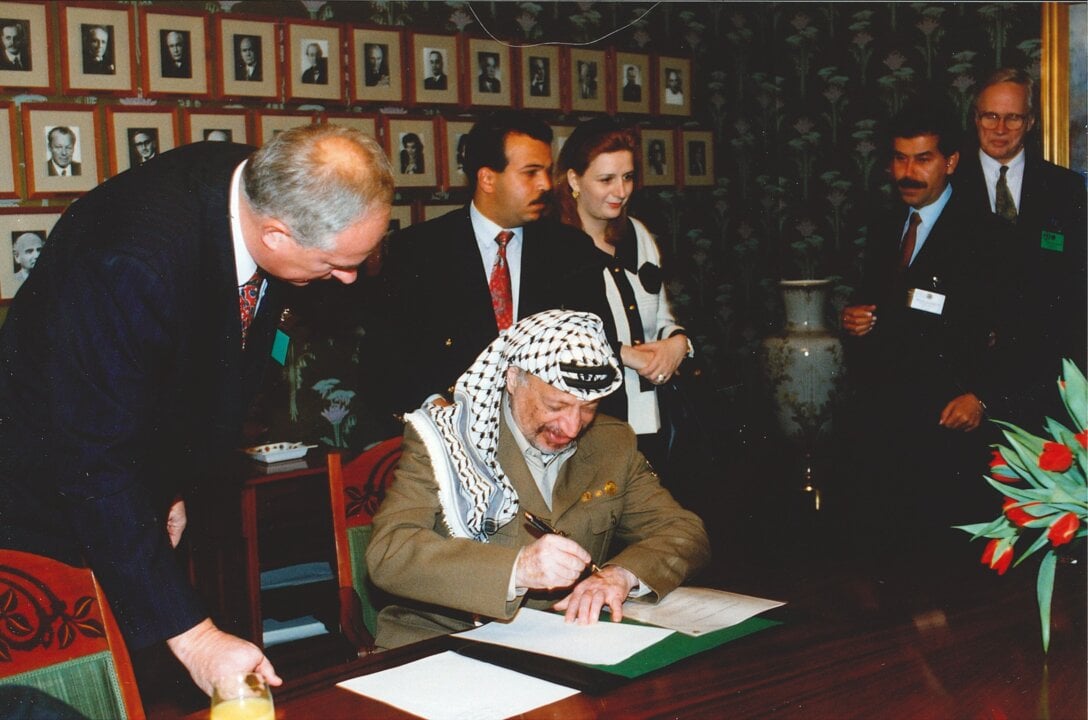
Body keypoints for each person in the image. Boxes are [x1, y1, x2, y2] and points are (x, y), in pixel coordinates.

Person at [0, 124, 394, 696]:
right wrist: (197, 637)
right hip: (37, 500)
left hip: (121, 465)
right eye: (335, 262)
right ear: (276, 234)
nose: (347, 277)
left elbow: (188, 373)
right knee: (78, 686)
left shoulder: (257, 182)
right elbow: (91, 461)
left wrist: (172, 484)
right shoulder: (131, 261)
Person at [366, 309, 710, 649]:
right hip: (445, 641)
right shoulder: (445, 439)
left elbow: (683, 531)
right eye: (556, 405)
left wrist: (622, 575)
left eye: (589, 407)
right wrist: (519, 569)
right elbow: (390, 554)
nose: (572, 427)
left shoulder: (611, 443)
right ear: (513, 379)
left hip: (566, 640)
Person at [364, 111, 611, 430]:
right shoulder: (417, 251)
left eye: (547, 172)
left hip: (553, 439)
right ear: (487, 178)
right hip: (450, 439)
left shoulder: (571, 251)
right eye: (531, 173)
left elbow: (599, 354)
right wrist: (434, 406)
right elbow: (386, 357)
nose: (546, 185)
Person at [839, 98, 1004, 537]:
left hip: (948, 428)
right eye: (899, 158)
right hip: (884, 426)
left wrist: (982, 396)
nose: (908, 172)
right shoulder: (883, 225)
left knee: (946, 570)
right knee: (887, 559)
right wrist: (855, 320)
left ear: (950, 162)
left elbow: (1013, 331)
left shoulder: (985, 234)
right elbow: (878, 307)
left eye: (923, 159)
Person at [952, 68, 1087, 425]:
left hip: (1041, 384)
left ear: (1030, 122)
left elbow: (1076, 291)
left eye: (1013, 117)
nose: (1000, 128)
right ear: (975, 117)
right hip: (959, 386)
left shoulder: (1065, 190)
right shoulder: (947, 185)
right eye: (991, 116)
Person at [555, 118, 692, 471]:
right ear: (573, 179)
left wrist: (677, 344)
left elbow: (662, 315)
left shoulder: (637, 233)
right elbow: (559, 339)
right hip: (591, 425)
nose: (621, 191)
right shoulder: (553, 247)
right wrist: (630, 356)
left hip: (655, 419)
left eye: (628, 177)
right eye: (606, 180)